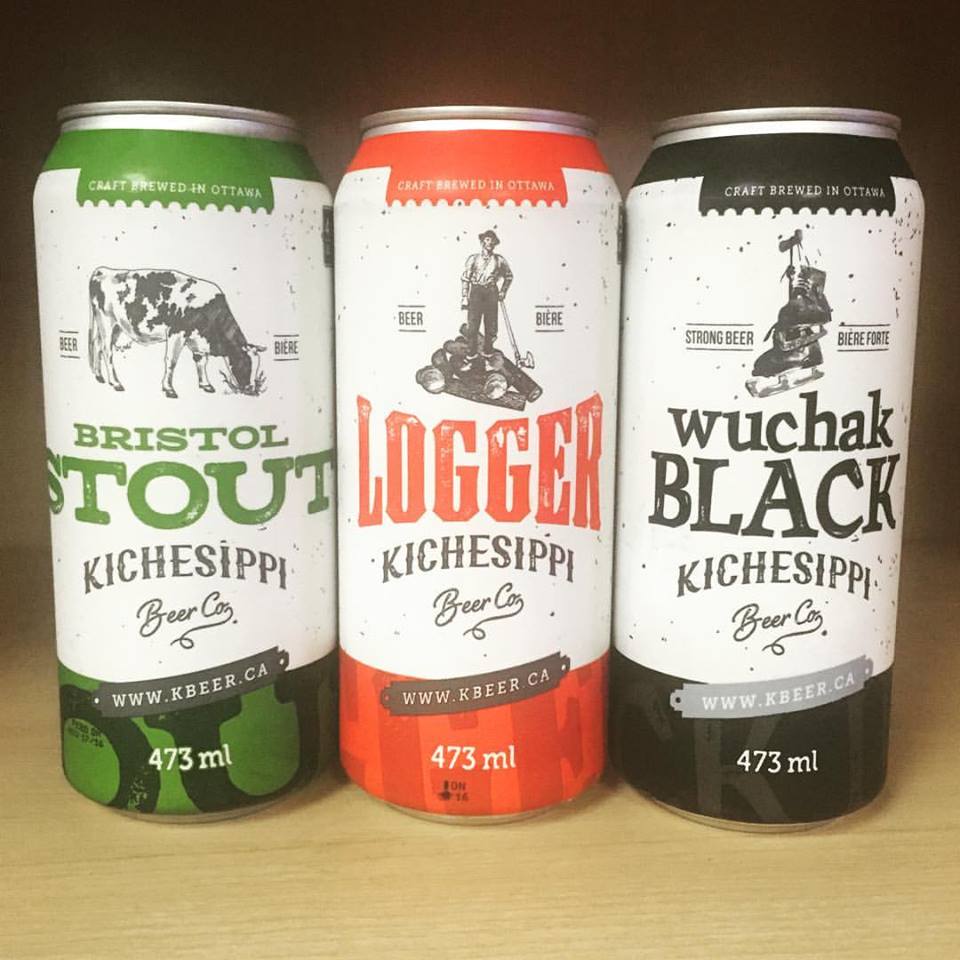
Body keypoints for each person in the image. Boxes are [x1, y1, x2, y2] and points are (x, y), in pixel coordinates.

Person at [461, 230, 513, 365]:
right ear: (482, 242)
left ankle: (488, 354)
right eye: (487, 240)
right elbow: (465, 279)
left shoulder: (499, 260)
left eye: (492, 240)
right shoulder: (473, 259)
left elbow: (509, 276)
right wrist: (464, 296)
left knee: (491, 326)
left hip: (491, 292)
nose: (490, 243)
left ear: (495, 244)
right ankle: (471, 355)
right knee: (473, 326)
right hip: (476, 292)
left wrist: (503, 291)